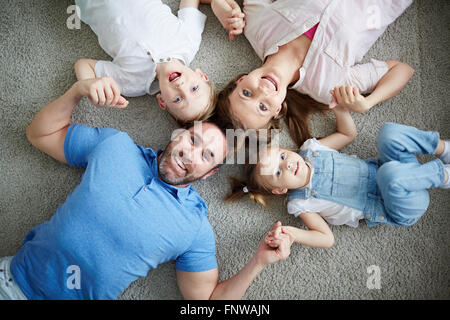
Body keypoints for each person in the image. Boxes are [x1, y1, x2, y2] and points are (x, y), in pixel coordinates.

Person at [0, 77, 293, 300]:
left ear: (209, 173)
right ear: (179, 135)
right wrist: (78, 90)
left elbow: (207, 300)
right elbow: (39, 133)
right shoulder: (115, 145)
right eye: (192, 140)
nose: (190, 155)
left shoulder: (194, 226)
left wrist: (258, 261)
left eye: (206, 156)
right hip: (11, 282)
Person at [226, 106, 450, 248]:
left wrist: (340, 109)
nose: (286, 164)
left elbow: (348, 134)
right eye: (277, 172)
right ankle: (444, 175)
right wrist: (292, 233)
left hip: (397, 169)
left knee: (389, 133)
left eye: (282, 155)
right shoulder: (300, 203)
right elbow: (326, 239)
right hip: (401, 205)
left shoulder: (312, 148)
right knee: (388, 175)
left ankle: (443, 149)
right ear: (280, 190)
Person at [214, 0, 415, 146]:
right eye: (263, 107)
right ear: (277, 110)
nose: (262, 91)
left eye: (246, 94)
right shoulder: (328, 86)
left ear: (240, 81)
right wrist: (367, 103)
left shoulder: (255, 25)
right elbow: (402, 70)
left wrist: (222, 8)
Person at [73, 0, 245, 125]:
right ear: (201, 76)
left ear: (162, 101)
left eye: (178, 99)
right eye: (194, 88)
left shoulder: (132, 83)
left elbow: (83, 64)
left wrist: (90, 86)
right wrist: (219, 5)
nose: (181, 86)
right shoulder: (189, 40)